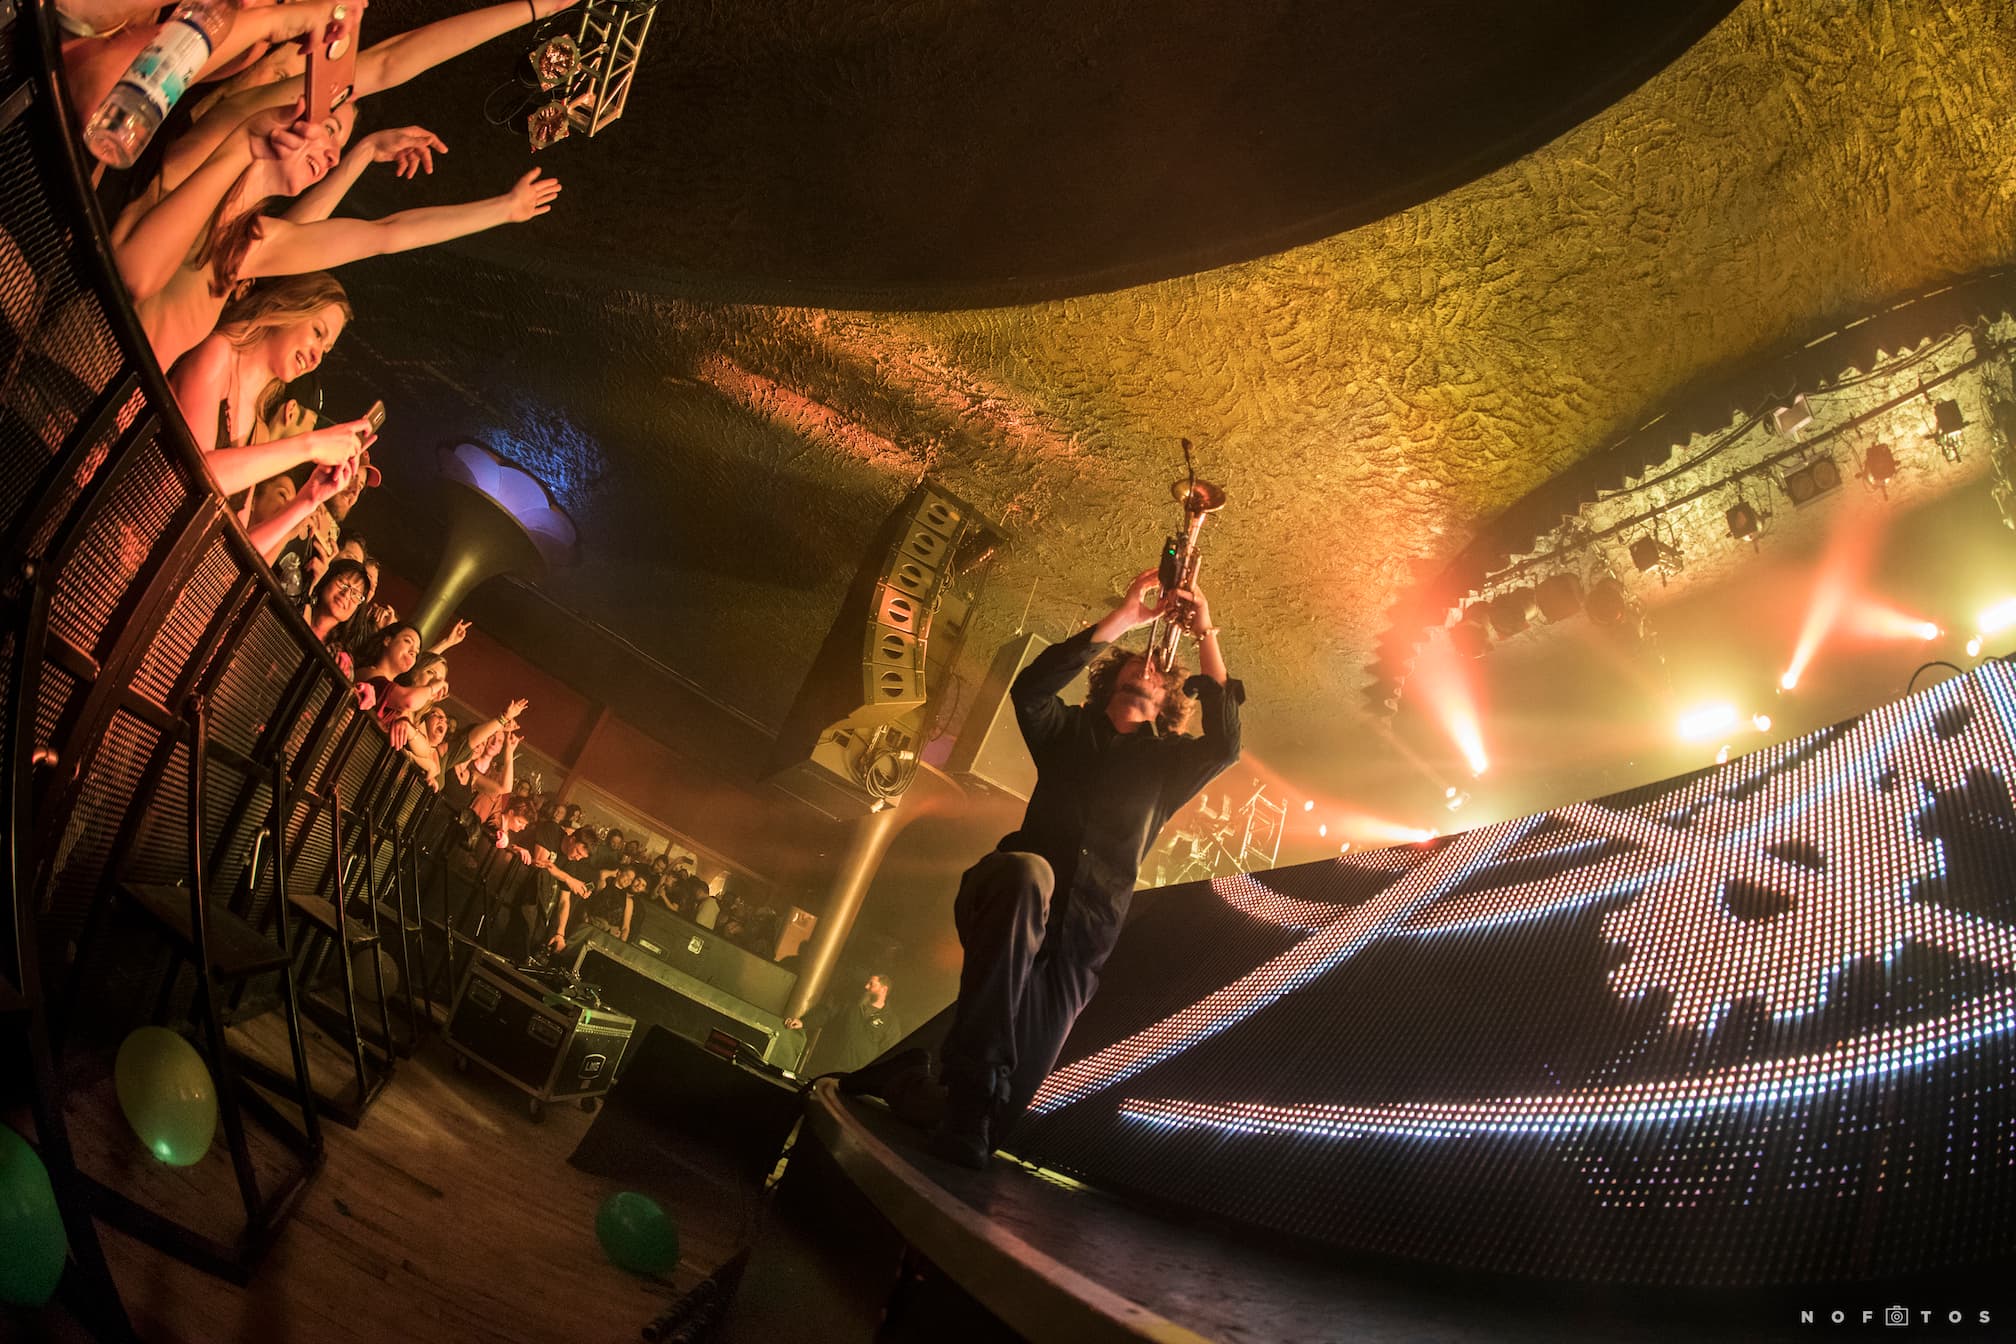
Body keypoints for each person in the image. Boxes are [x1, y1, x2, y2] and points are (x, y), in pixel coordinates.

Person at [928, 569, 1242, 1168]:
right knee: (1029, 876)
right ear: (1109, 684)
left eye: (1154, 680)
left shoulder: (1167, 766)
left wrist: (1206, 632)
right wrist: (1125, 618)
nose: (1144, 675)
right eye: (1132, 672)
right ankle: (969, 1087)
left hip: (1081, 944)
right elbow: (1030, 690)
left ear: (1168, 702)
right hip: (1009, 895)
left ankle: (924, 1090)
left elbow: (1225, 743)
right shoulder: (1065, 731)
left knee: (994, 1121)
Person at [787, 972, 902, 1077]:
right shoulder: (849, 1005)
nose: (866, 987)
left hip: (855, 1077)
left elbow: (888, 1053)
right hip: (828, 1068)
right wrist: (804, 1022)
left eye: (871, 984)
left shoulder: (890, 1022)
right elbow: (826, 1013)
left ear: (884, 989)